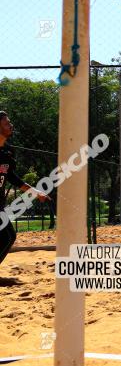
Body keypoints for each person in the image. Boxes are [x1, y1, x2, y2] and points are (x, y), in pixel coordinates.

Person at [0, 112, 51, 270]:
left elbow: (13, 179)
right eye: (7, 123)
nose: (11, 125)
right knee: (8, 237)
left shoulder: (7, 152)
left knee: (8, 237)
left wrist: (36, 192)